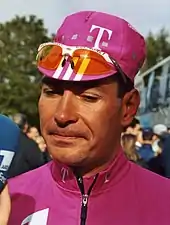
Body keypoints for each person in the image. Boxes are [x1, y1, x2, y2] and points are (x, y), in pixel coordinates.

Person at [8, 11, 170, 225]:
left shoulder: (164, 204)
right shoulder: (8, 202)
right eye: (52, 92)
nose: (62, 115)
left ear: (129, 107)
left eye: (88, 97)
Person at [8, 113, 46, 177]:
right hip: (23, 183)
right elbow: (39, 164)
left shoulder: (4, 140)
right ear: (25, 126)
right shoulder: (30, 145)